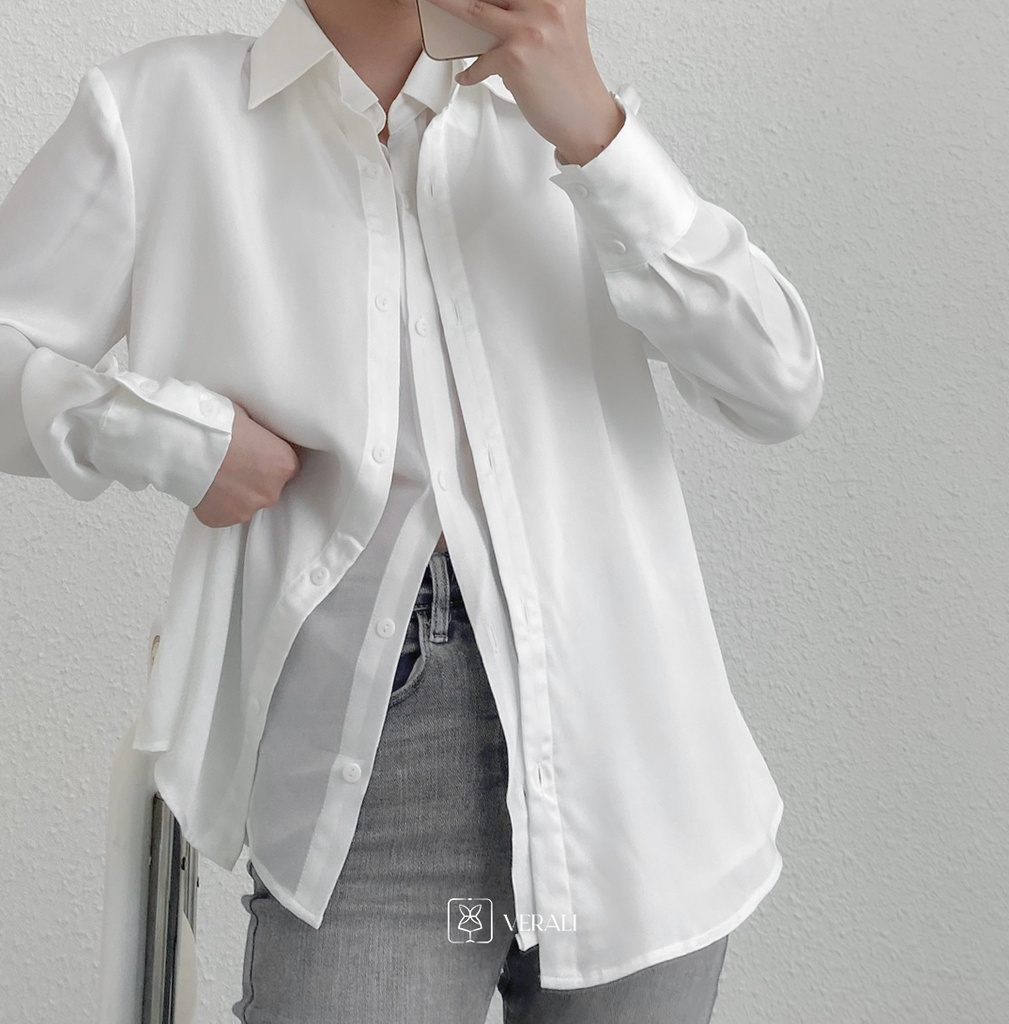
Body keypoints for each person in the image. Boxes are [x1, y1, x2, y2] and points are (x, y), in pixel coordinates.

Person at [0, 0, 824, 1020]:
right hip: (372, 787)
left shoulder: (553, 118)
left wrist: (596, 132)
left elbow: (778, 383)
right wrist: (172, 439)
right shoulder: (163, 114)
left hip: (636, 777)